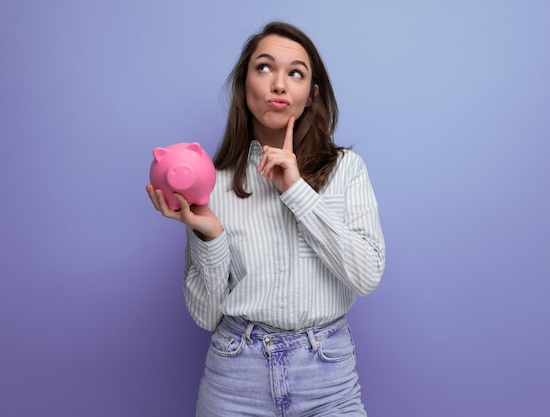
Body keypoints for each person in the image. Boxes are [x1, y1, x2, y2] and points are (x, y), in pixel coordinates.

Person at [146, 21, 385, 417]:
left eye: (295, 73)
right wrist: (211, 234)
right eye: (264, 67)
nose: (279, 84)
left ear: (311, 96)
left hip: (327, 379)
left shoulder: (348, 170)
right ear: (244, 86)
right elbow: (206, 316)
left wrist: (295, 190)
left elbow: (367, 275)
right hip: (235, 378)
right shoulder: (213, 184)